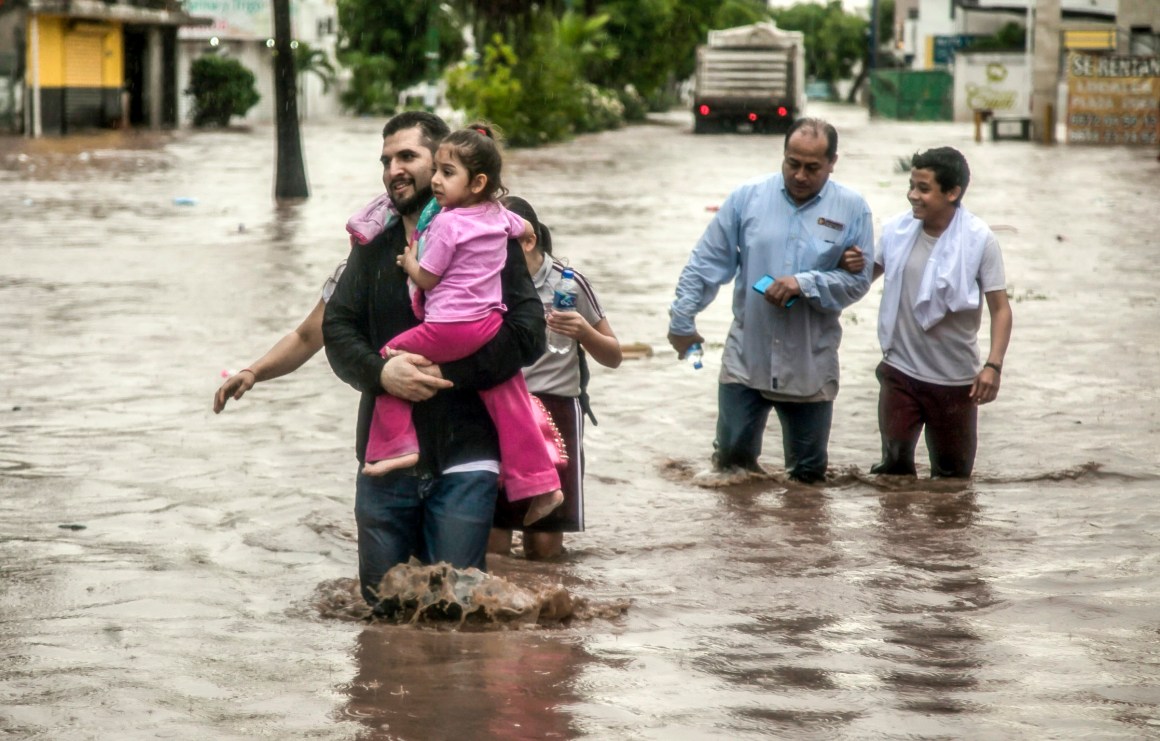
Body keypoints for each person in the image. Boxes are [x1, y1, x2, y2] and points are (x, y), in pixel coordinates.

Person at [323, 111, 547, 606]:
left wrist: (445, 373)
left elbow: (527, 334)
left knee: (457, 610)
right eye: (386, 161)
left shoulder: (492, 240)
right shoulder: (373, 247)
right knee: (383, 607)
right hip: (384, 463)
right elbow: (336, 331)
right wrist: (384, 373)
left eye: (408, 157)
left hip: (467, 451)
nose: (392, 171)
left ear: (446, 164)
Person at [361, 124, 564, 527]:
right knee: (509, 396)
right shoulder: (500, 218)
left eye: (447, 172)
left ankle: (397, 445)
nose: (436, 180)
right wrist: (521, 239)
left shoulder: (447, 225)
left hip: (449, 327)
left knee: (390, 359)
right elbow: (526, 231)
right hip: (490, 324)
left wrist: (408, 263)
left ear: (478, 181)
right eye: (436, 169)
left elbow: (429, 279)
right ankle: (542, 483)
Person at [667, 117, 874, 483]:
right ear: (783, 155)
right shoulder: (748, 198)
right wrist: (682, 320)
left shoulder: (853, 209)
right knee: (730, 471)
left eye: (812, 167)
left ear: (832, 162)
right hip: (747, 358)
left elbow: (857, 284)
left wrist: (804, 283)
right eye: (792, 163)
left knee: (808, 480)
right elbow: (706, 262)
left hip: (810, 363)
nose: (799, 175)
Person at [844, 146, 1012, 478]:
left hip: (955, 381)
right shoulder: (896, 231)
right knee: (892, 473)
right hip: (900, 372)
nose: (912, 196)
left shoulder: (980, 240)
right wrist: (846, 264)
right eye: (911, 186)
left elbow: (1001, 309)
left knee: (953, 482)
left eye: (923, 189)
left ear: (953, 192)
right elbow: (861, 279)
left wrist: (993, 366)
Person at [490, 196, 622, 559]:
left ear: (528, 241)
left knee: (545, 544)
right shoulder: (483, 283)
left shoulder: (570, 284)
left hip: (556, 410)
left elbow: (613, 355)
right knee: (492, 540)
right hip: (497, 407)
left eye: (495, 243)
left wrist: (584, 332)